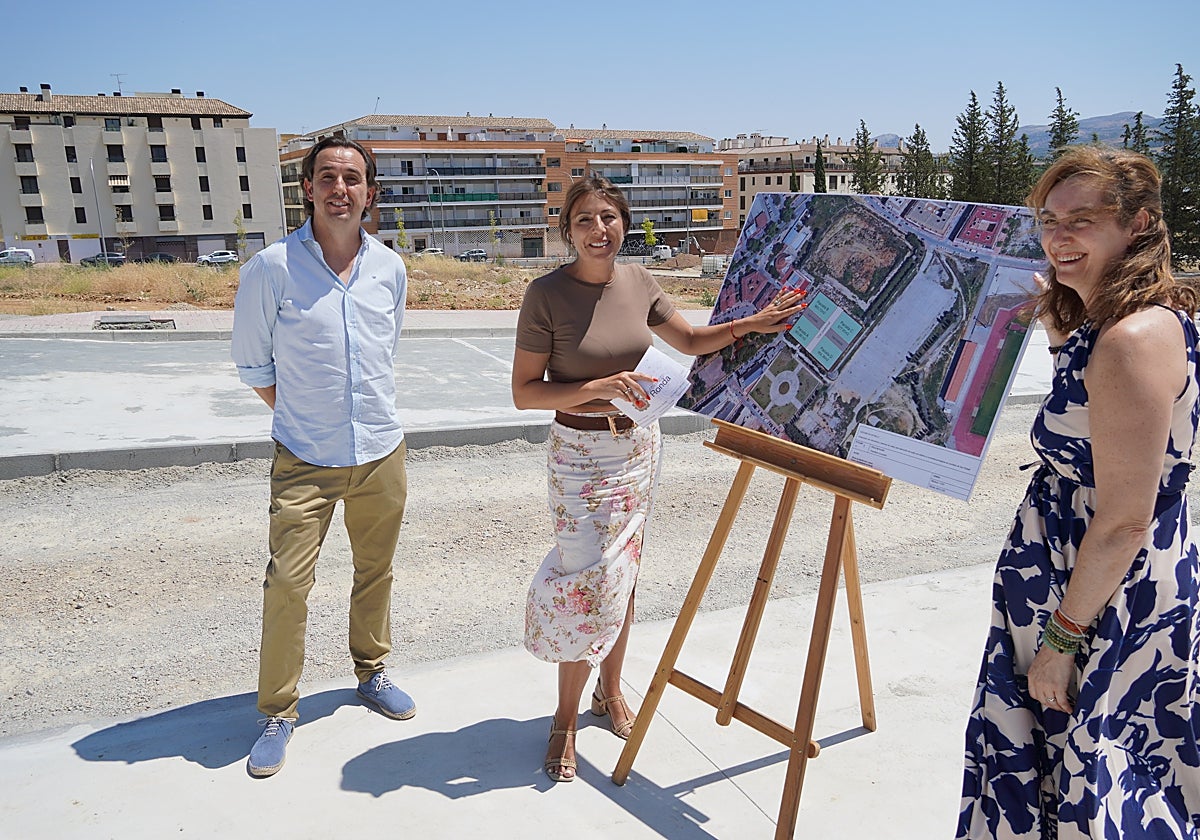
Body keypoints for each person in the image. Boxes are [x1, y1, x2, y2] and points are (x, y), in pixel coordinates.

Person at [511, 175, 806, 783]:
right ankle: (564, 718)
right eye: (586, 219)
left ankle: (609, 691)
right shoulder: (545, 295)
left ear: (623, 222)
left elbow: (693, 340)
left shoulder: (641, 281)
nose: (600, 230)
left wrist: (755, 322)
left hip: (638, 451)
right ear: (568, 229)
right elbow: (524, 393)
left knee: (622, 574)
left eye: (609, 217)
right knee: (582, 581)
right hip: (577, 457)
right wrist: (597, 388)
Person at [958, 146, 1200, 836]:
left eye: (1083, 221)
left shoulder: (1130, 338)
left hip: (1096, 593)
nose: (1059, 237)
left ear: (1140, 223)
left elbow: (1124, 518)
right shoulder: (1120, 321)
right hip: (1093, 578)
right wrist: (1064, 328)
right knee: (1095, 766)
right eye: (1049, 220)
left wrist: (1063, 639)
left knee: (1097, 772)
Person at [231, 136, 415, 778]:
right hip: (305, 456)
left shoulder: (390, 268)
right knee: (287, 582)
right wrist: (303, 416)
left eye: (354, 178)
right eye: (328, 177)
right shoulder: (272, 268)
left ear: (370, 192)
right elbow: (254, 363)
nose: (341, 188)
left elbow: (385, 352)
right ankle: (278, 711)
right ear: (306, 188)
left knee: (376, 569)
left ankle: (371, 671)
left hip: (380, 451)